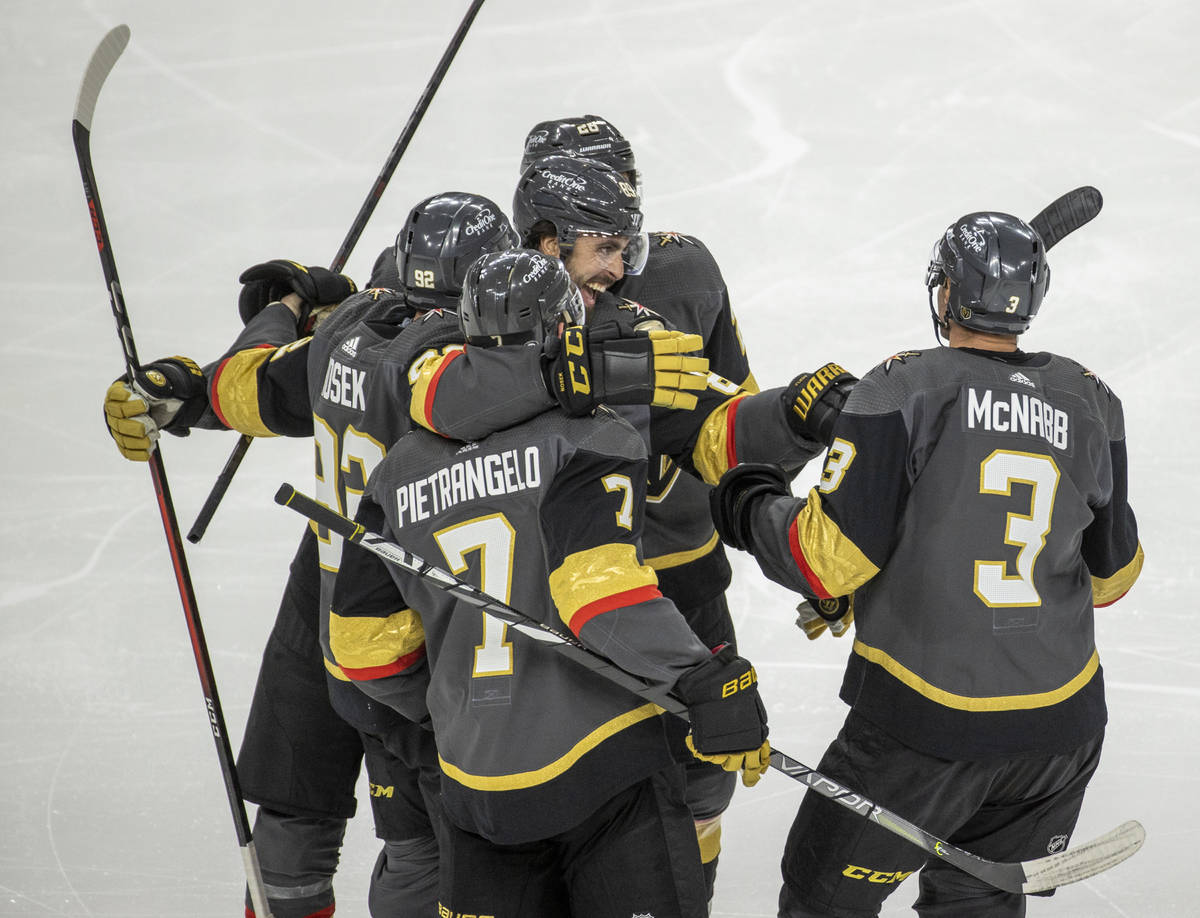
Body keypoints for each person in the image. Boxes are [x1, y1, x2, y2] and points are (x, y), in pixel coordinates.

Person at [101, 191, 707, 917]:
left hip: (338, 617)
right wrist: (595, 369)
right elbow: (458, 394)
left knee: (304, 828)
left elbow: (247, 385)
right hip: (422, 640)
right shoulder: (440, 362)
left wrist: (195, 377)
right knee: (429, 855)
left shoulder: (348, 331)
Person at [405, 146, 824, 902]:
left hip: (650, 594)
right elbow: (439, 392)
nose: (622, 269)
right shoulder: (476, 322)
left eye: (627, 247)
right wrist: (584, 372)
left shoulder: (634, 324)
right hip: (550, 628)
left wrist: (791, 420)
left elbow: (709, 429)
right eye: (604, 248)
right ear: (545, 242)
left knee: (697, 793)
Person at [709, 210, 1144, 917]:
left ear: (945, 294)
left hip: (924, 730)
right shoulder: (1092, 400)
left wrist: (746, 503)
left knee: (822, 901)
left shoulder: (900, 388)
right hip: (1060, 735)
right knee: (978, 906)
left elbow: (827, 561)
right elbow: (1113, 577)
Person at [329, 248, 772, 918]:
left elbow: (361, 646)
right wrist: (699, 678)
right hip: (604, 770)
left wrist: (453, 705)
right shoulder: (591, 436)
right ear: (567, 328)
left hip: (475, 788)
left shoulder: (399, 471)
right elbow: (599, 598)